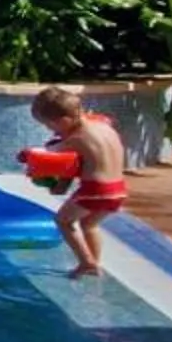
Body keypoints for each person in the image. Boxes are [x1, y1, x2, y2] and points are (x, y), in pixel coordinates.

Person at [32, 86, 129, 279]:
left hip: (95, 190)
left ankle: (86, 262)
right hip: (119, 189)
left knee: (63, 221)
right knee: (89, 224)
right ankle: (94, 265)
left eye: (49, 126)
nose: (50, 130)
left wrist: (30, 158)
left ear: (64, 121)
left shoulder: (75, 139)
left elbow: (49, 153)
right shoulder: (104, 127)